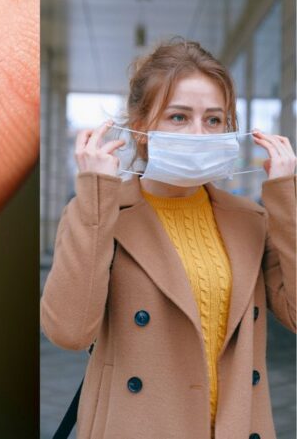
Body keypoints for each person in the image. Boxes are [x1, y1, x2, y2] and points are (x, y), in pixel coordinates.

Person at [40, 38, 296, 438]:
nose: (199, 133)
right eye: (179, 117)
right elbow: (69, 333)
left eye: (214, 120)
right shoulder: (102, 212)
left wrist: (286, 199)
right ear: (141, 127)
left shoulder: (250, 219)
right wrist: (95, 193)